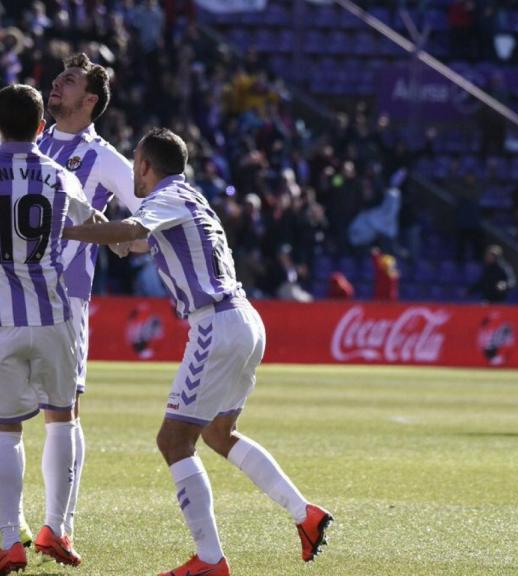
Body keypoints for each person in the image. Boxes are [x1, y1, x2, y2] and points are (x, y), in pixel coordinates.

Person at [63, 129, 332, 576]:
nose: (133, 171)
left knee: (173, 440)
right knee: (218, 434)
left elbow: (132, 229)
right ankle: (305, 514)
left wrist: (69, 229)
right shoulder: (189, 198)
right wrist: (93, 221)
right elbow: (131, 242)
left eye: (135, 163)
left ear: (147, 166)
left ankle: (210, 560)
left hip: (216, 323)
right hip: (243, 319)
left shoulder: (166, 197)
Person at [0, 53, 141, 561]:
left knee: (53, 416)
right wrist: (119, 238)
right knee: (59, 414)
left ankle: (54, 526)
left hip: (60, 298)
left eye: (69, 81)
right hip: (43, 305)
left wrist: (139, 234)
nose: (57, 84)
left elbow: (146, 204)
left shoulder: (104, 158)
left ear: (89, 101)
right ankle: (24, 527)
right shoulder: (39, 149)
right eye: (57, 79)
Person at [0, 84, 98, 576]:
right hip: (54, 318)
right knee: (64, 418)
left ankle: (11, 539)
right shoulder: (58, 176)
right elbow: (89, 220)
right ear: (39, 128)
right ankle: (56, 526)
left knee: (4, 428)